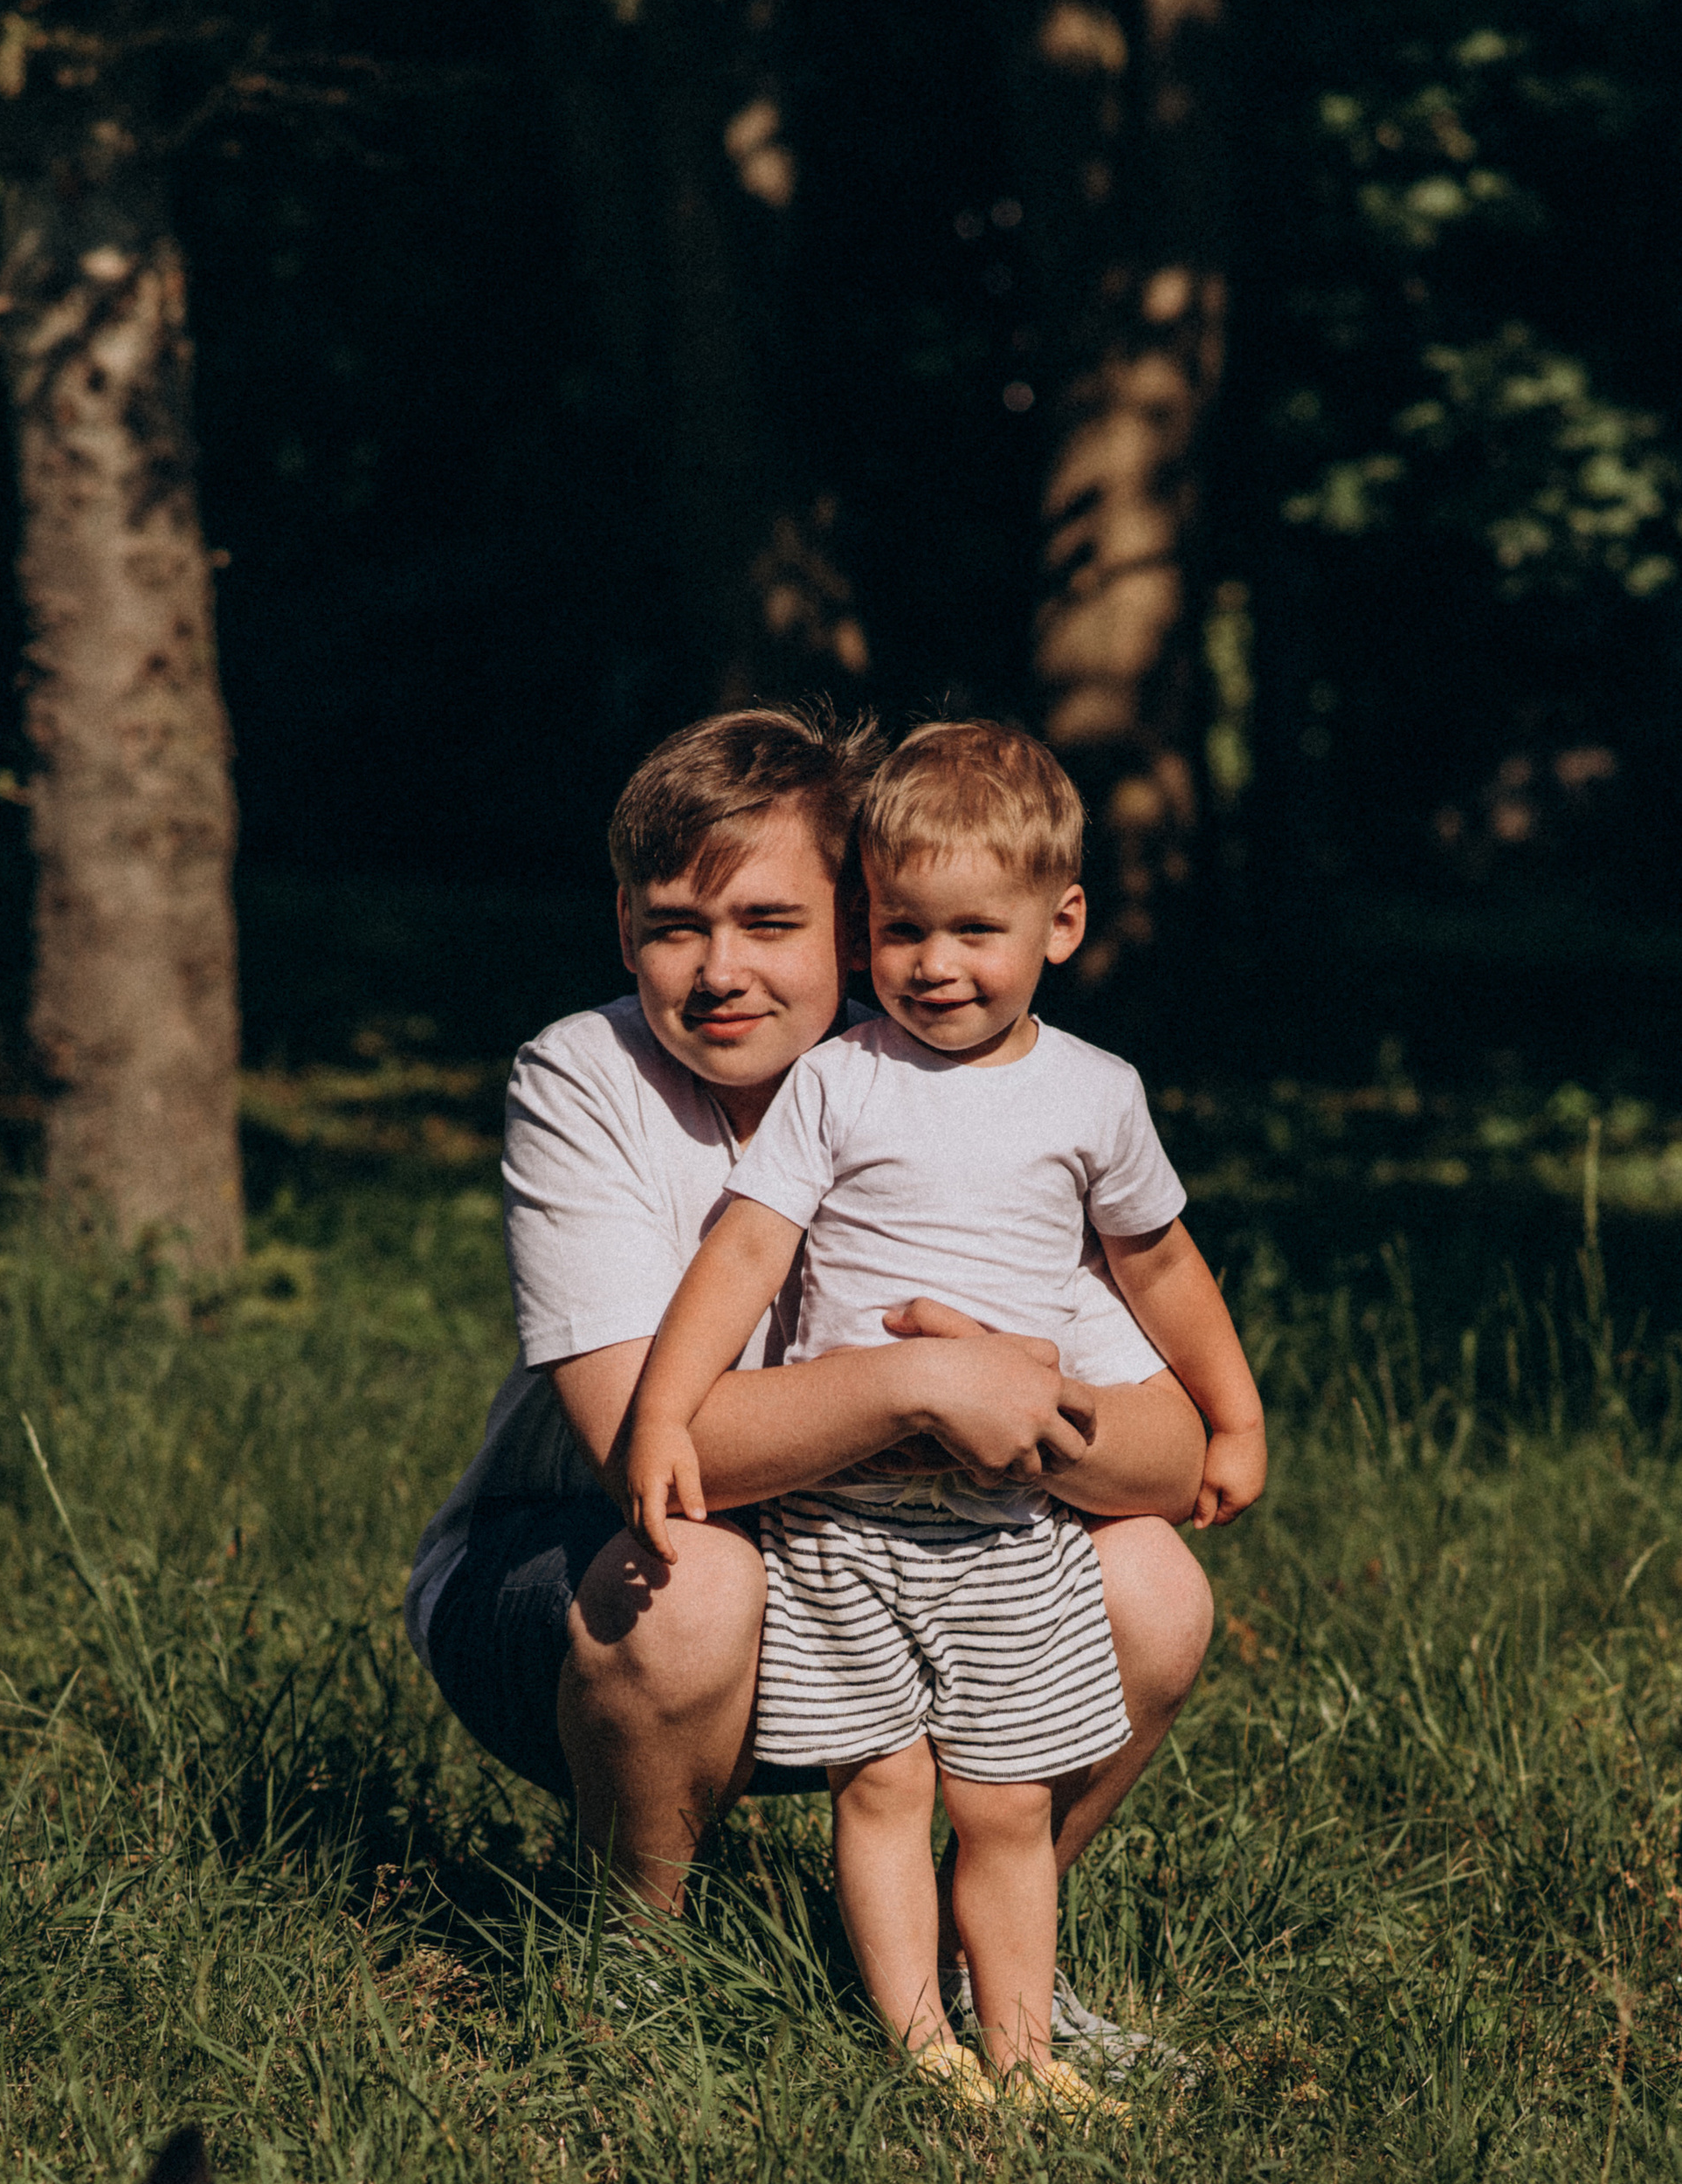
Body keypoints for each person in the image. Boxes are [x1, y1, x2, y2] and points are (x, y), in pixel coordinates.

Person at [404, 703, 1217, 2070]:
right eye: (675, 926)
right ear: (623, 934)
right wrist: (925, 1383)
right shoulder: (584, 1079)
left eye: (771, 924)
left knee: (1155, 1584)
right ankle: (629, 1974)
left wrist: (1028, 1422)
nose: (719, 969)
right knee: (698, 1575)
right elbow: (656, 1458)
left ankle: (989, 1969)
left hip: (883, 1576)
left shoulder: (961, 1099)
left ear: (858, 923)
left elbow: (1167, 1458)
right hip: (568, 1588)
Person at [623, 721, 1265, 2105]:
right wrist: (667, 1413)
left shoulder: (1093, 1094)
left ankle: (1023, 2051)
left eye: (977, 929)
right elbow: (743, 1254)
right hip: (847, 1513)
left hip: (1008, 1520)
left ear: (1062, 922)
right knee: (886, 1789)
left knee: (1007, 1798)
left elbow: (1159, 1261)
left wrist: (1234, 1414)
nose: (939, 964)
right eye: (904, 930)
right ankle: (921, 2047)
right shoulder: (840, 1079)